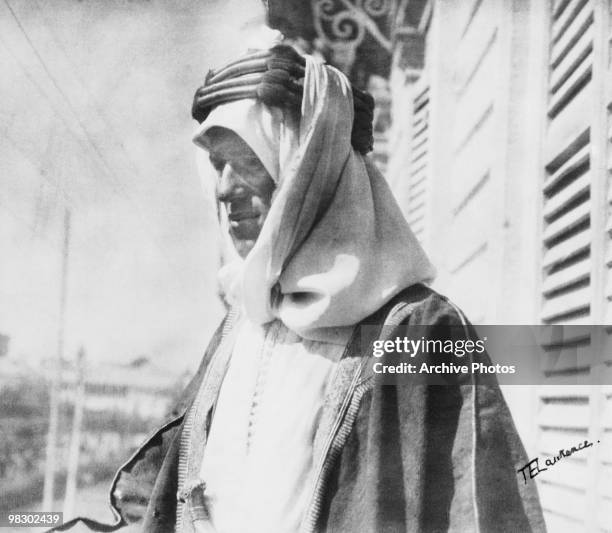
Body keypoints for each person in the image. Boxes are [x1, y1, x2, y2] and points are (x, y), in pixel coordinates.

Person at [51, 43, 545, 533]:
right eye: (216, 164)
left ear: (310, 164)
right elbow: (160, 498)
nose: (223, 189)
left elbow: (484, 515)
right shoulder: (240, 326)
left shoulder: (418, 331)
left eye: (245, 158)